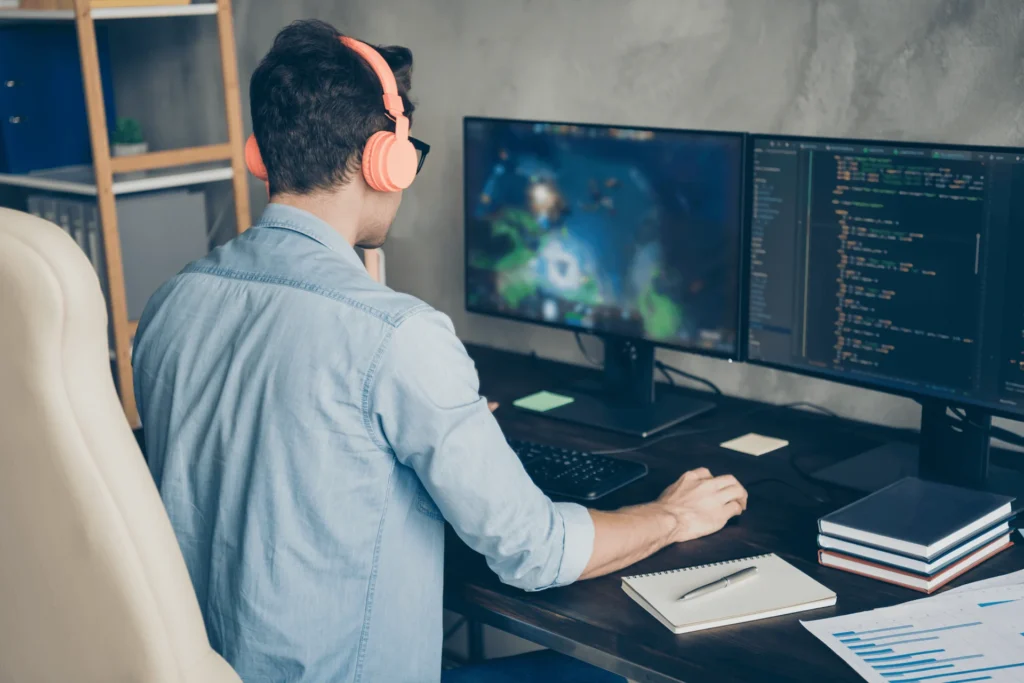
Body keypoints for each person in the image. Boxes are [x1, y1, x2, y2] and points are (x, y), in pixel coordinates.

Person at [133, 19, 748, 683]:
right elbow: (534, 551)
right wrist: (670, 515)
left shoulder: (172, 301)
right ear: (385, 159)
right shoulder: (395, 336)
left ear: (263, 155)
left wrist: (425, 410)